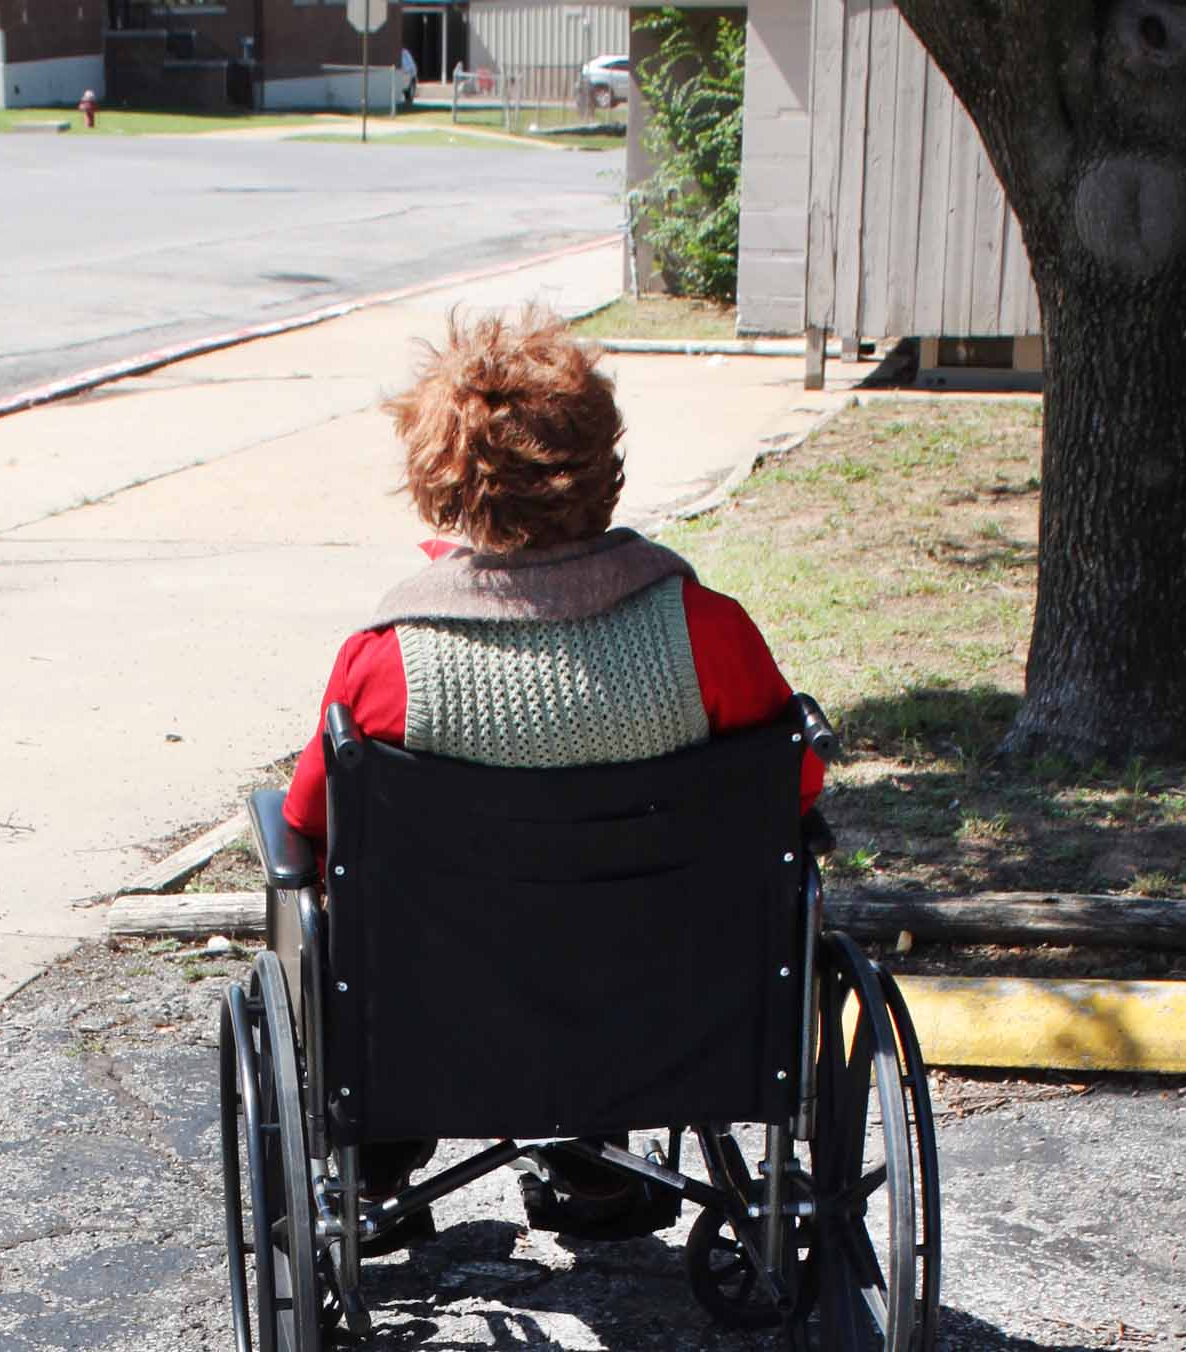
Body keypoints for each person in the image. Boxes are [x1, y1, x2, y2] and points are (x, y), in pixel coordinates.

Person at [279, 307, 823, 1247]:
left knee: (364, 916)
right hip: (671, 1005)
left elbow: (312, 832)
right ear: (602, 465)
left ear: (442, 481)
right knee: (614, 922)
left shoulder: (389, 660)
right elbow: (794, 793)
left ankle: (376, 1164)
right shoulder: (708, 631)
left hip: (440, 1016)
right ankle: (589, 1154)